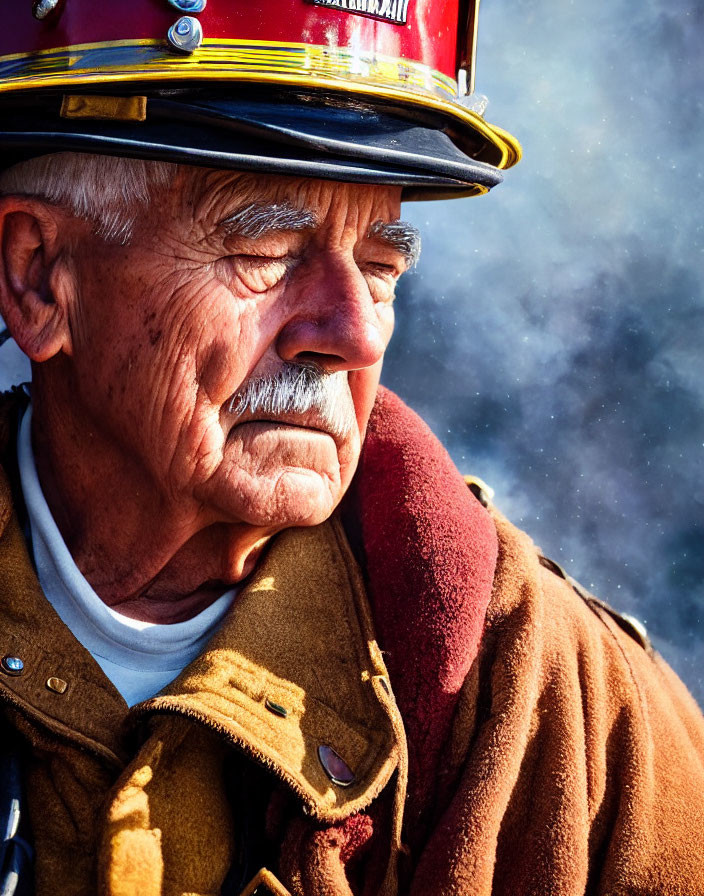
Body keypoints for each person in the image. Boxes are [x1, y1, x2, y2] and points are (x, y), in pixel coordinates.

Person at [0, 3, 702, 896]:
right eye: (266, 246)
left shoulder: (562, 715)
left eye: (380, 266)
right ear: (37, 276)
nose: (355, 333)